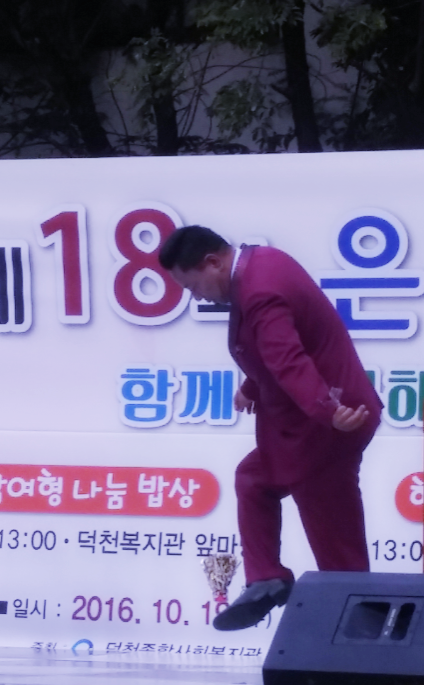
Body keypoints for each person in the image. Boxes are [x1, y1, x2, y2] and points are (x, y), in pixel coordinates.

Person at [159, 226, 382, 631]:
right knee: (254, 480)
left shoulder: (259, 289)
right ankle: (269, 578)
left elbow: (288, 359)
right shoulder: (261, 264)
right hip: (316, 419)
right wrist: (251, 387)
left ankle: (361, 621)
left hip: (326, 423)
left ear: (213, 262)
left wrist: (328, 410)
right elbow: (285, 342)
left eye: (192, 286)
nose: (198, 297)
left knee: (334, 536)